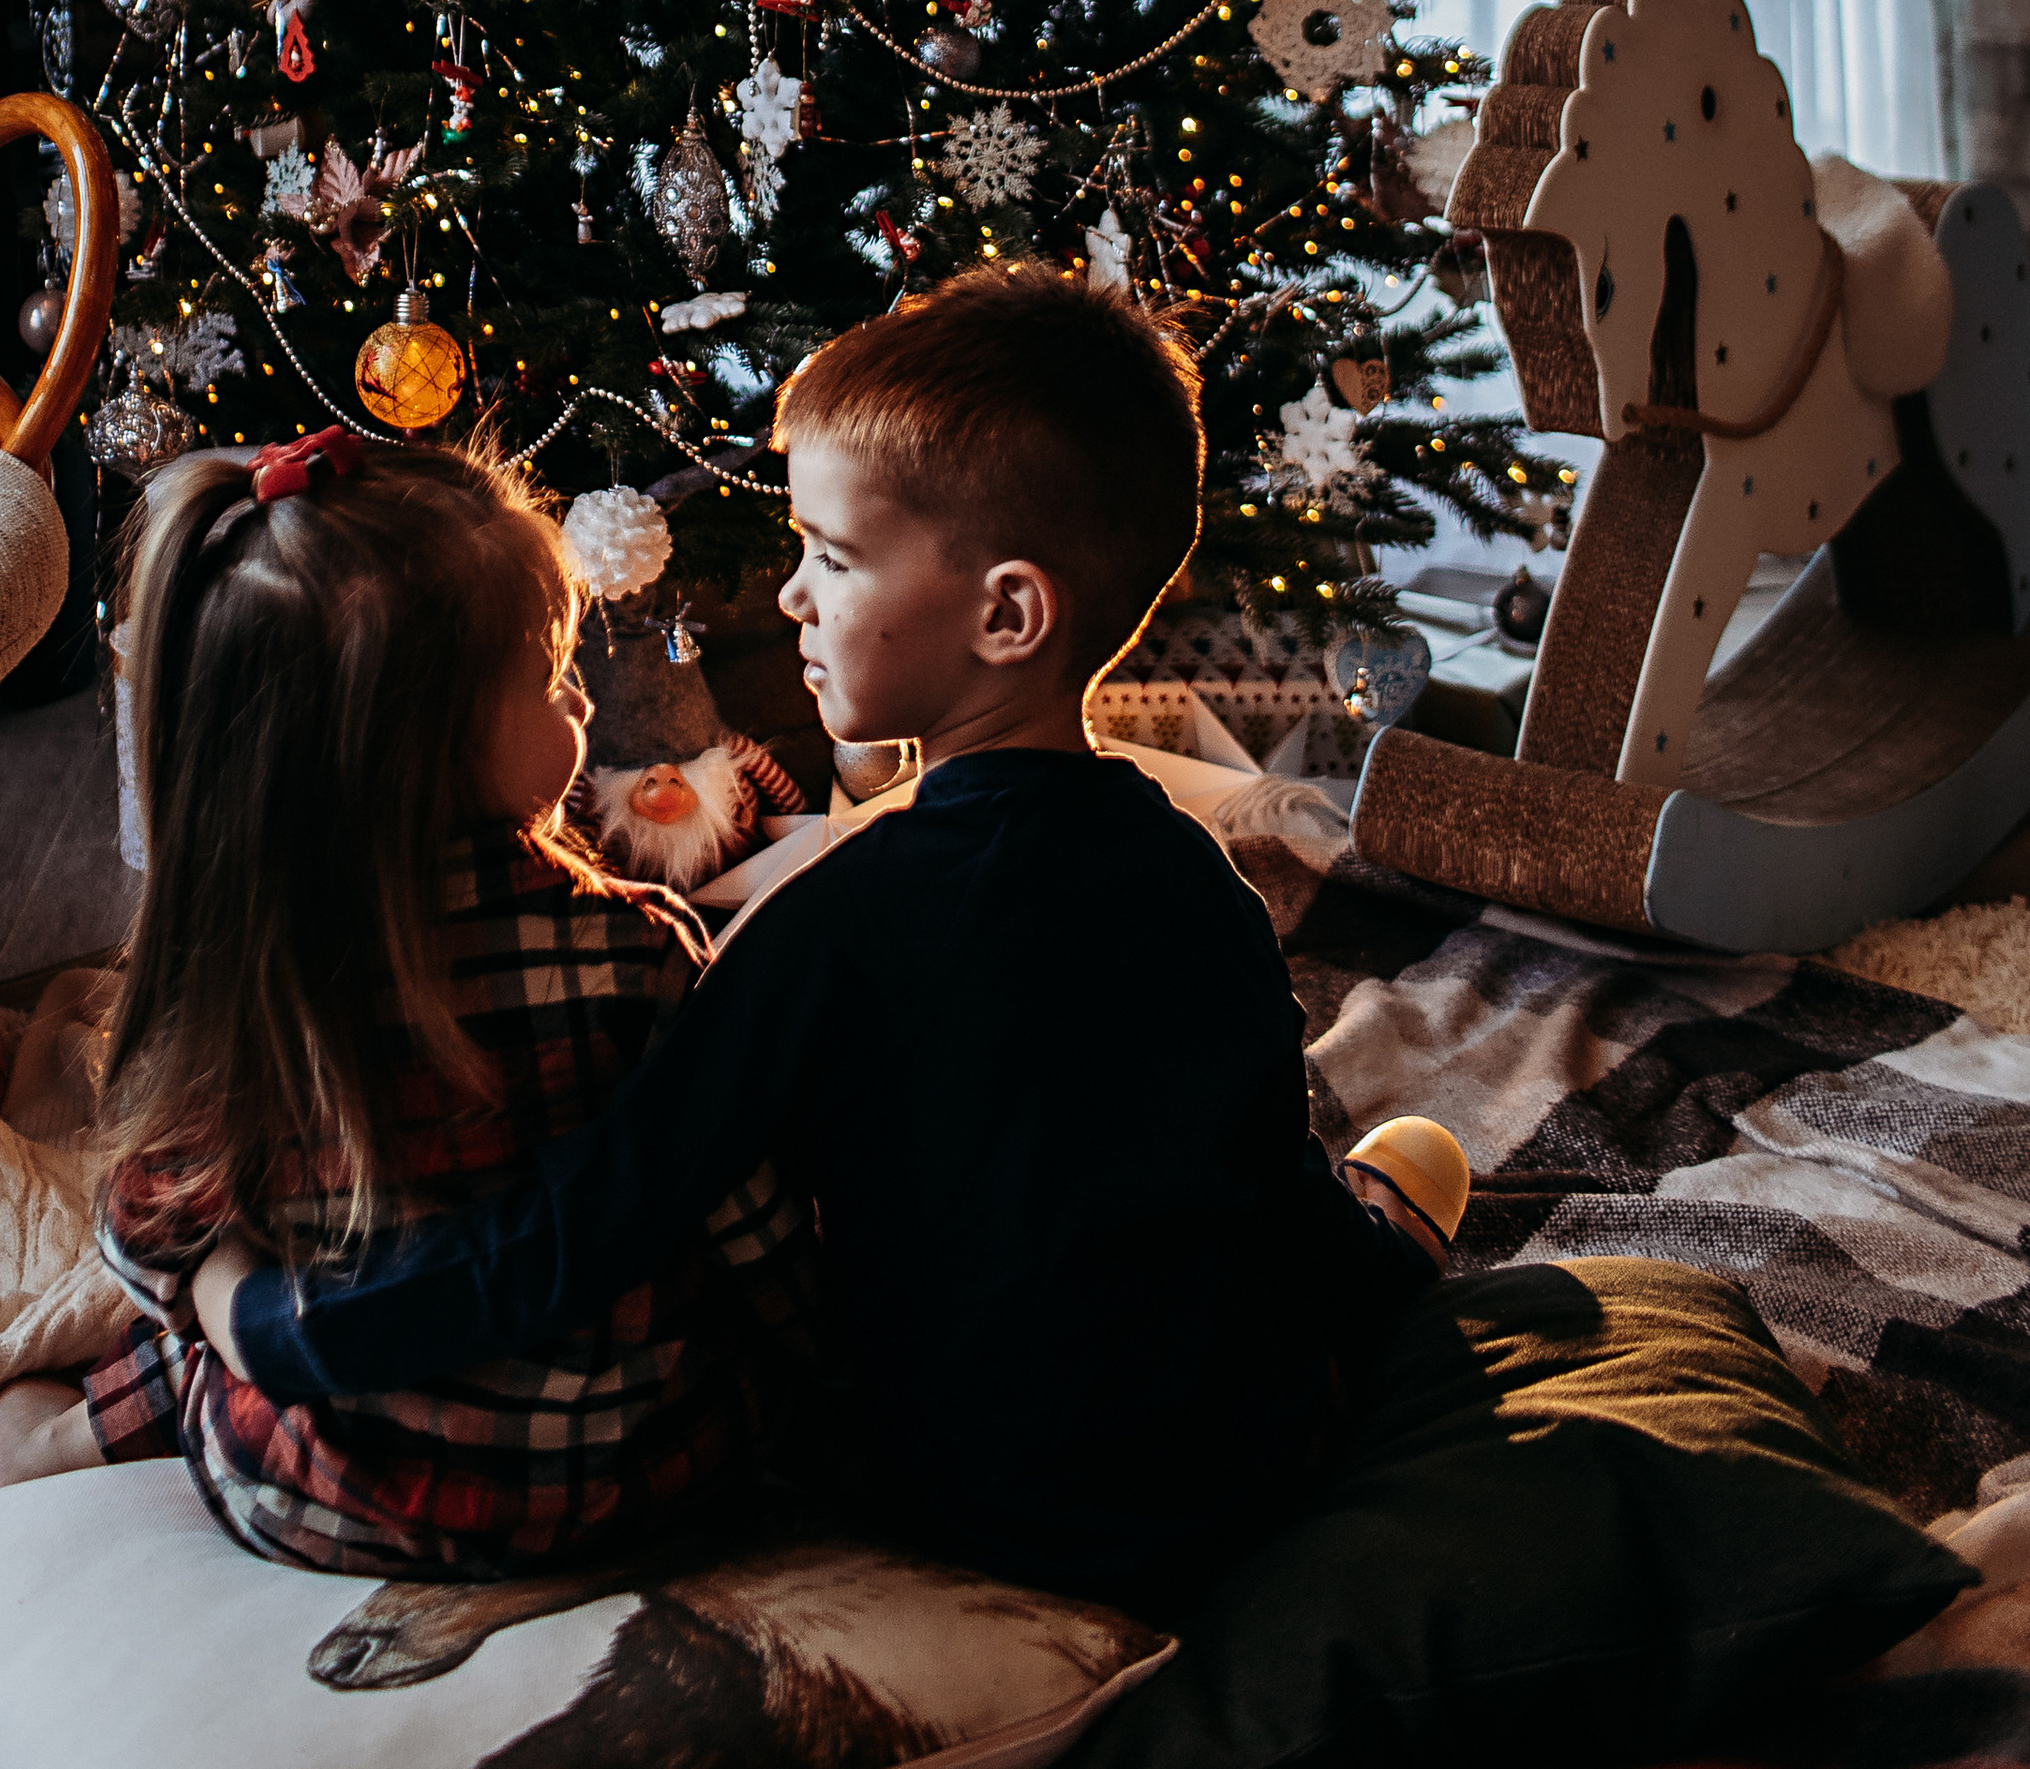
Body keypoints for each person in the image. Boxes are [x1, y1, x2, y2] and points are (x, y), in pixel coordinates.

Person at [181, 271, 1466, 1617]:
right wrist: (1370, 1275)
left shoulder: (831, 923)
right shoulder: (1201, 883)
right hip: (1238, 1476)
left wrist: (279, 1325)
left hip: (957, 1504)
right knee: (1377, 1172)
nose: (792, 599)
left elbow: (584, 1229)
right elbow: (1263, 1190)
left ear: (1008, 615)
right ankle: (1403, 1222)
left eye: (833, 560)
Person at [0, 424, 807, 1573]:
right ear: (424, 742)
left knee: (219, 1327)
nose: (582, 711)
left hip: (332, 1496)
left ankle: (55, 1448)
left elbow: (150, 1251)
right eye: (549, 680)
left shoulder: (245, 994)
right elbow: (745, 1216)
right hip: (641, 1479)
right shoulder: (642, 947)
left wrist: (212, 1287)